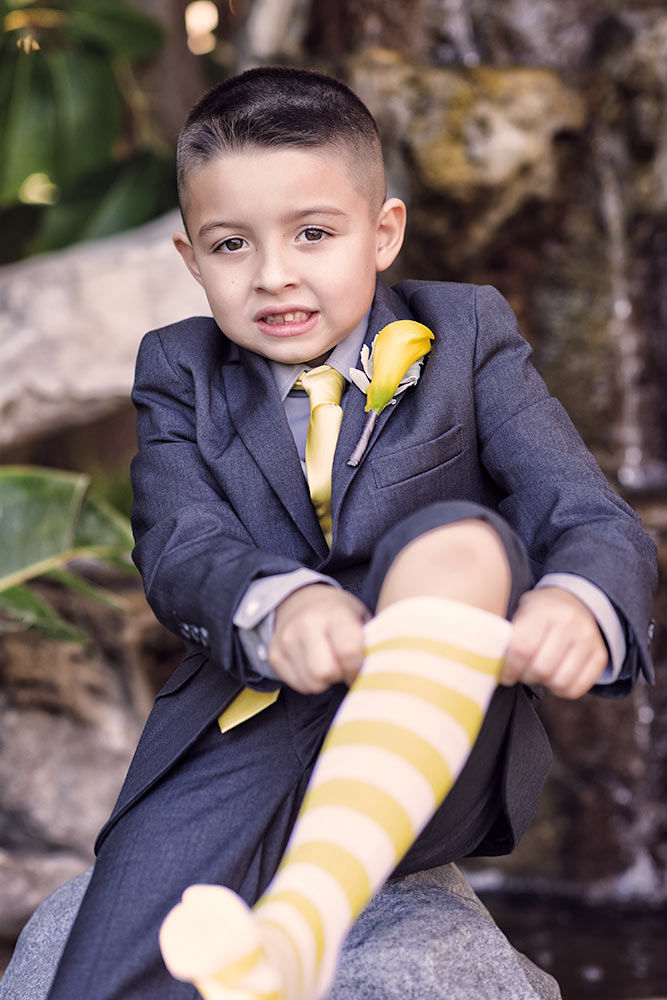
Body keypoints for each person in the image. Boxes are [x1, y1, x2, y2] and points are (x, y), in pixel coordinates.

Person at [44, 66, 656, 1000]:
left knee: (460, 536)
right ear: (189, 259)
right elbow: (179, 541)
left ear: (383, 234)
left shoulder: (466, 333)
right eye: (230, 245)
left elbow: (584, 512)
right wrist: (277, 607)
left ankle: (300, 929)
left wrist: (578, 602)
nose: (274, 273)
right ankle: (275, 946)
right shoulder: (178, 370)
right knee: (107, 966)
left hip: (437, 720)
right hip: (254, 724)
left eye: (314, 235)